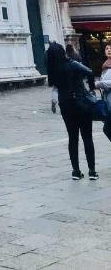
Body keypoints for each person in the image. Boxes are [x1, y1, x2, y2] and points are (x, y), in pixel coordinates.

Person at [46, 41, 97, 180]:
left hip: (65, 106)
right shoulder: (72, 64)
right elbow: (90, 72)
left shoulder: (53, 71)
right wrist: (91, 88)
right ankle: (92, 171)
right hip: (81, 103)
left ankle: (75, 171)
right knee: (87, 137)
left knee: (72, 138)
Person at [98, 42, 111, 144]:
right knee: (107, 129)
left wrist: (98, 84)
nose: (109, 50)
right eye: (107, 48)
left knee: (107, 129)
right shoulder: (105, 65)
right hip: (108, 102)